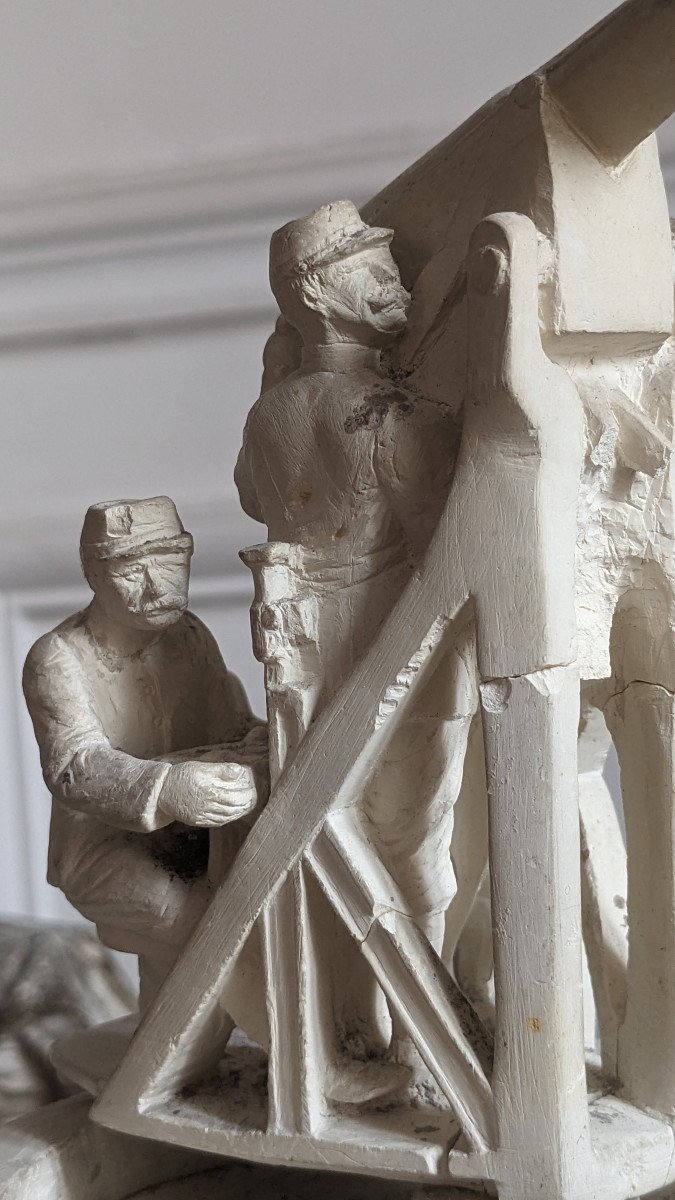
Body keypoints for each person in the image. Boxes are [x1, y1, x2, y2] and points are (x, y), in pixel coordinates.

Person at [236, 201, 472, 1097]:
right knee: (413, 843)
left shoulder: (271, 414)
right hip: (393, 648)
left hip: (304, 657)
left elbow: (257, 497)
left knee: (332, 831)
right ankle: (423, 1043)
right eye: (368, 269)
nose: (394, 282)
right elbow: (449, 549)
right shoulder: (389, 414)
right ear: (318, 293)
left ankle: (364, 1028)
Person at [23, 495, 266, 1008]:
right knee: (206, 924)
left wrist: (258, 742)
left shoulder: (190, 636)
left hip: (204, 835)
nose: (159, 586)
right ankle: (297, 1063)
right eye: (132, 570)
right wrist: (168, 788)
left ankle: (181, 1069)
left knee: (272, 902)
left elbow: (231, 724)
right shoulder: (58, 657)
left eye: (173, 560)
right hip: (103, 851)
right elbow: (74, 766)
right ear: (94, 575)